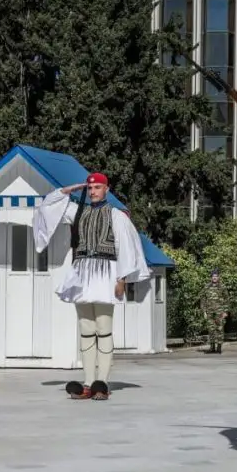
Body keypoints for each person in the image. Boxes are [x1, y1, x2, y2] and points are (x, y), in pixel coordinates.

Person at [32, 172, 151, 401]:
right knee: (86, 329)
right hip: (82, 274)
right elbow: (48, 206)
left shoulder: (116, 215)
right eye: (90, 188)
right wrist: (69, 190)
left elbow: (125, 246)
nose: (93, 191)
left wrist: (122, 278)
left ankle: (102, 383)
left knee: (103, 328)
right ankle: (88, 383)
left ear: (106, 189)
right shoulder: (78, 211)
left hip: (106, 273)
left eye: (97, 187)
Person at [201, 269, 227, 354]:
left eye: (216, 276)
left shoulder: (222, 287)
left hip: (220, 312)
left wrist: (225, 311)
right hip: (210, 312)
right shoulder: (207, 287)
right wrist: (204, 311)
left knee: (220, 329)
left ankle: (219, 347)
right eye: (213, 276)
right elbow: (203, 299)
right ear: (211, 277)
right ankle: (212, 347)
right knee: (211, 329)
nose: (214, 278)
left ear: (218, 277)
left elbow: (227, 299)